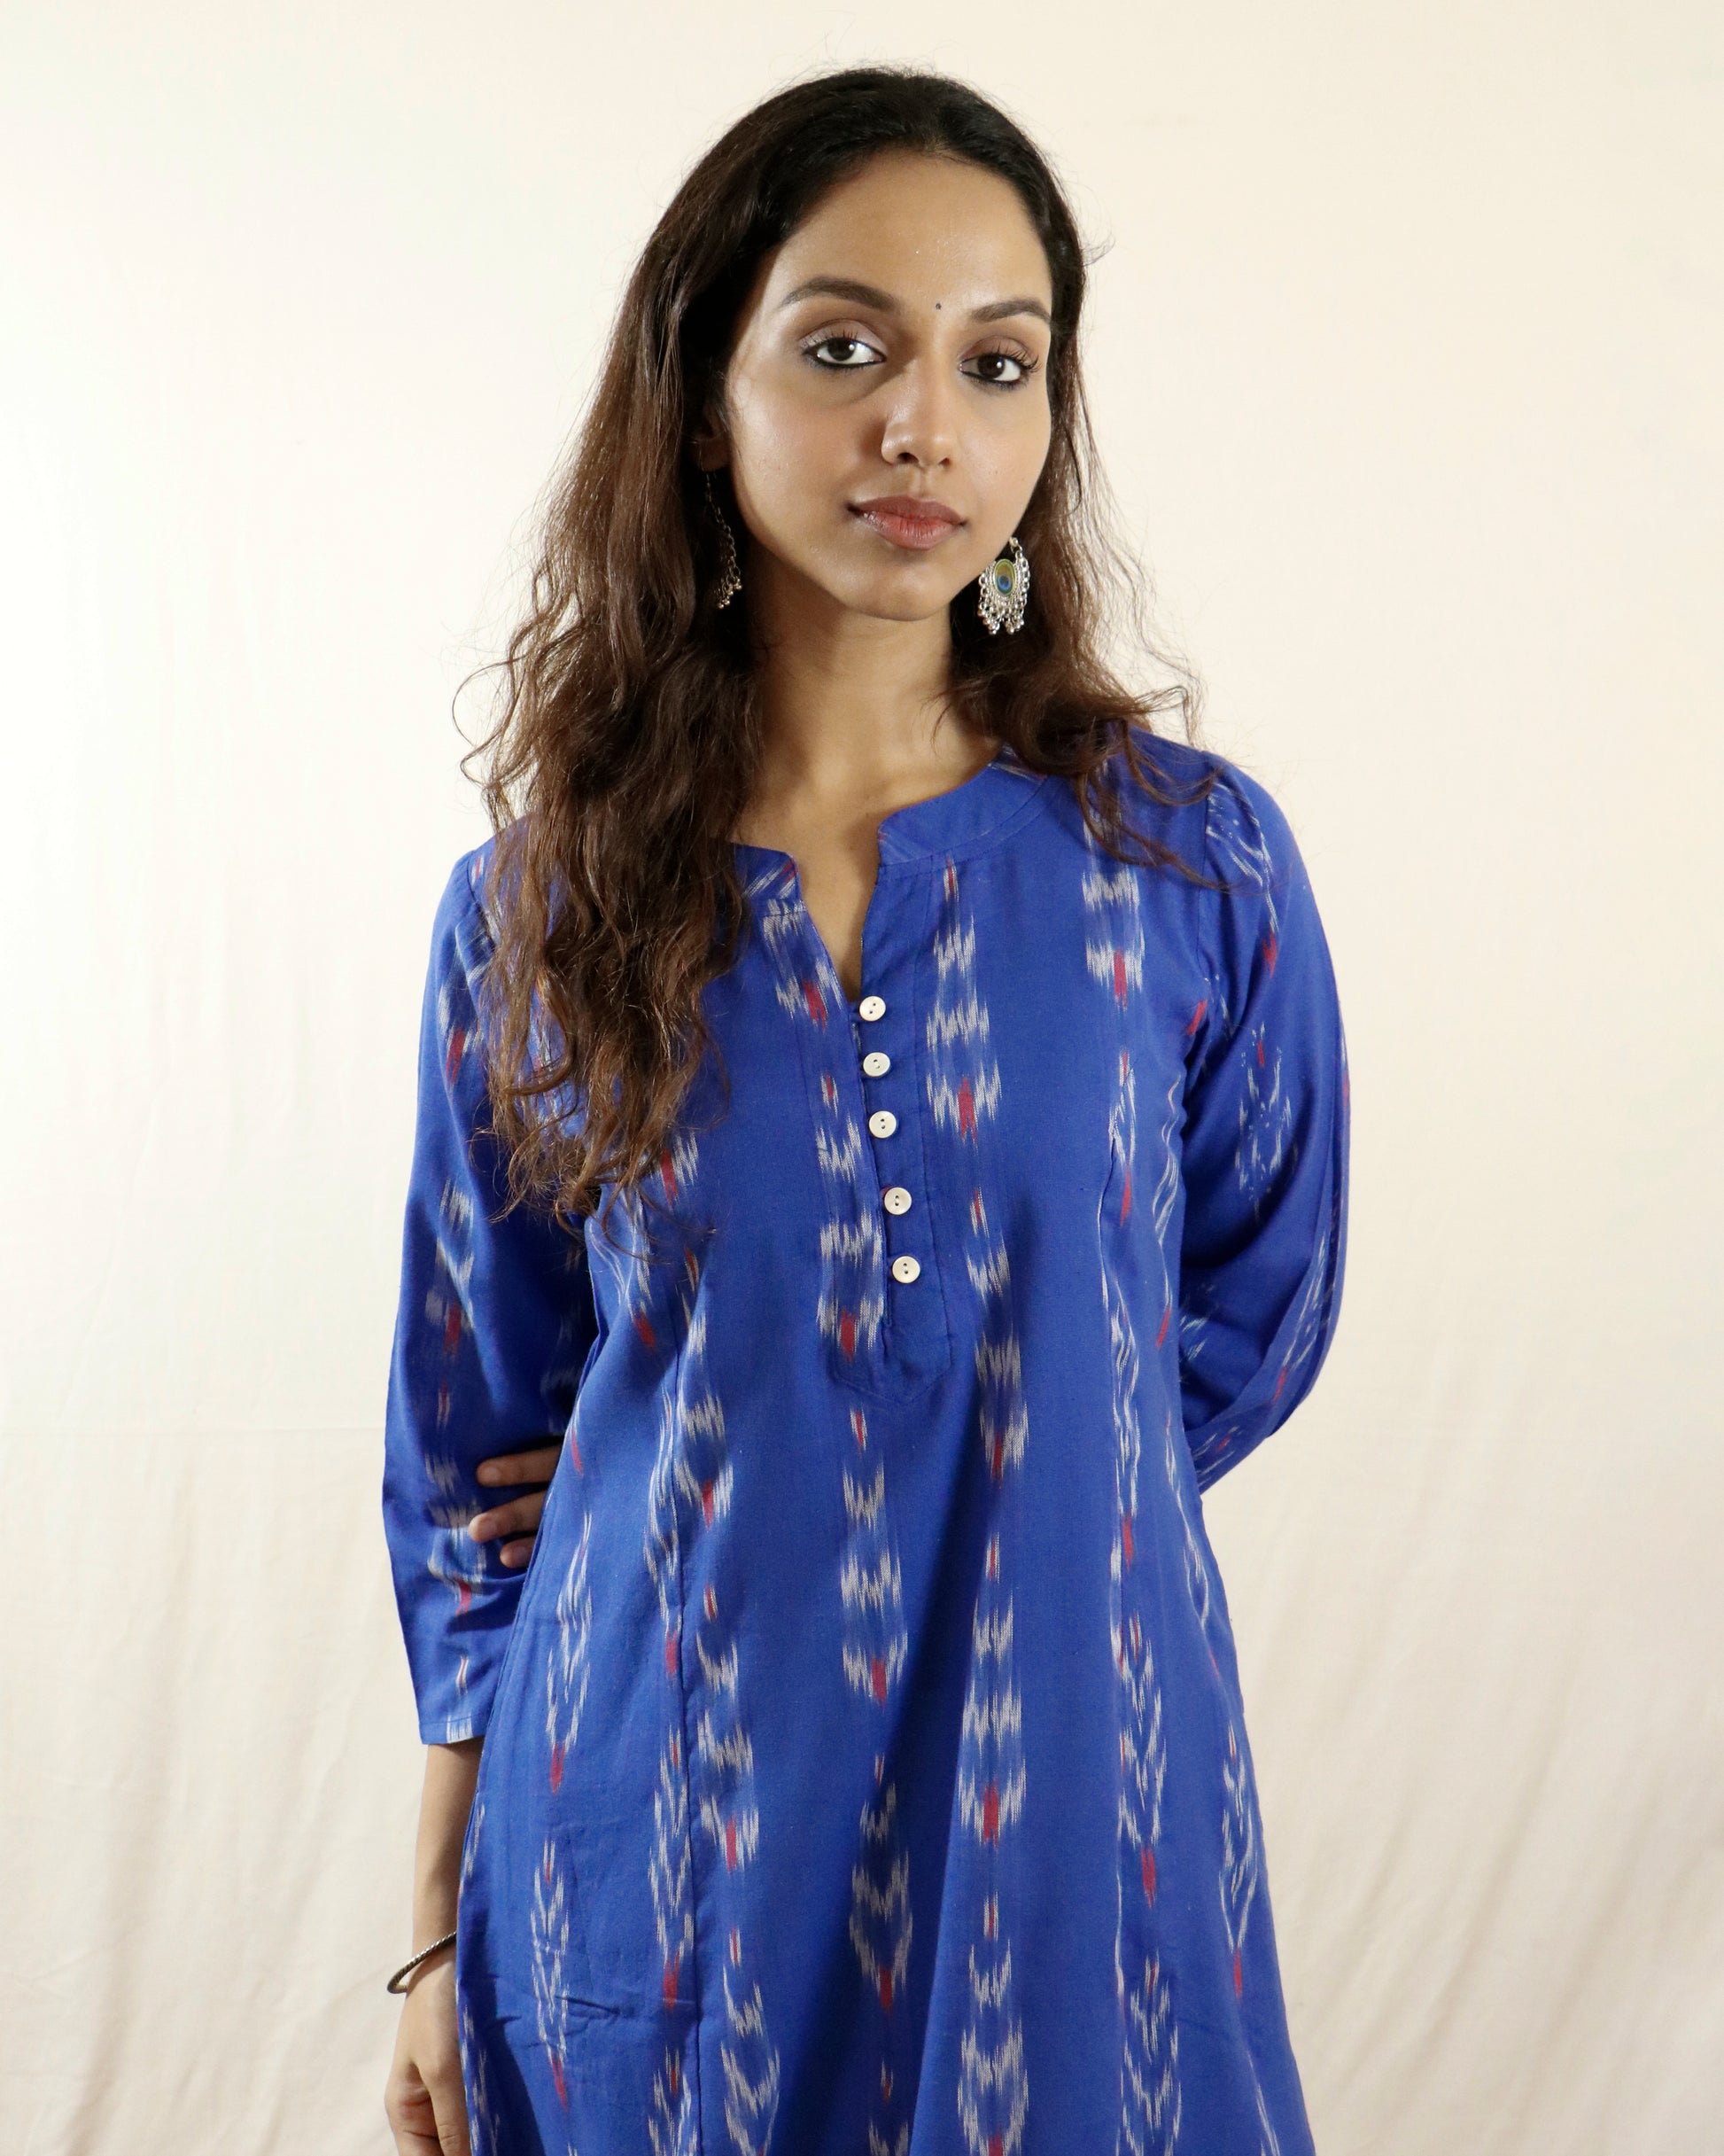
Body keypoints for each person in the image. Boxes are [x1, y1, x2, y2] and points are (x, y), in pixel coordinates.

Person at [381, 65, 1349, 2156]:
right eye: (844, 349)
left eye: (996, 363)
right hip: (663, 1826)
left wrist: (993, 1473)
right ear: (700, 397)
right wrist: (429, 1928)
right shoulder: (539, 910)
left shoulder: (1184, 866)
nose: (925, 426)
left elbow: (1247, 1303)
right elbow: (470, 1457)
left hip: (1072, 1811)